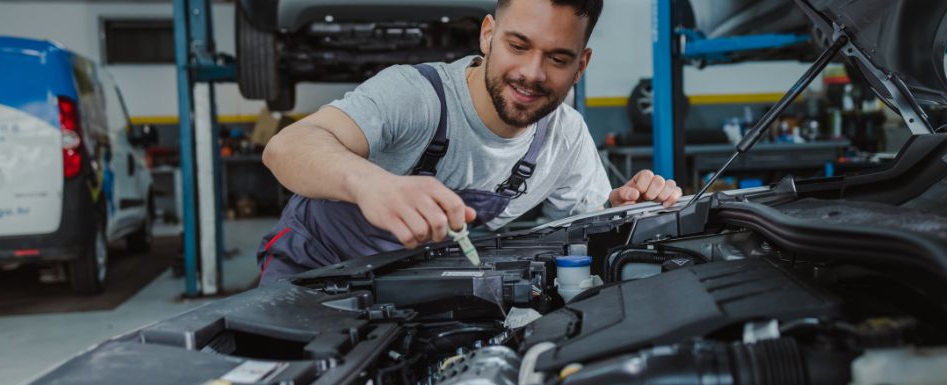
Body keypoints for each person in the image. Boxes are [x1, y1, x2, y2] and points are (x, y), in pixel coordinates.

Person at [257, 0, 682, 284]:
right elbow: (287, 147)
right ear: (487, 35)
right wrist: (372, 185)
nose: (532, 74)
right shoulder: (416, 96)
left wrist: (627, 210)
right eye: (518, 46)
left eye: (557, 58)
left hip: (413, 290)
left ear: (581, 64)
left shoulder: (564, 137)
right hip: (313, 272)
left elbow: (588, 229)